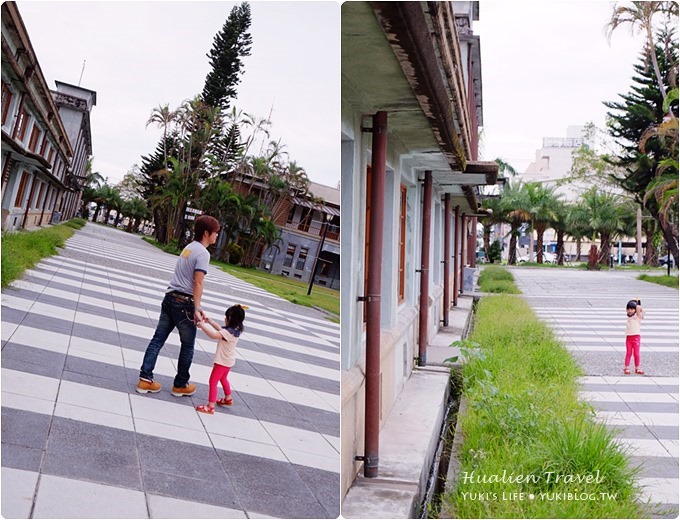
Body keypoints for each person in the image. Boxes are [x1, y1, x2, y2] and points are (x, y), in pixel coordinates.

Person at [136, 215, 220, 396]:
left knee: (157, 339)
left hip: (170, 298)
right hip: (184, 304)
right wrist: (197, 308)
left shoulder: (189, 248)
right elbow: (198, 282)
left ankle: (145, 379)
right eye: (215, 233)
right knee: (188, 345)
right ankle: (180, 384)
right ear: (207, 233)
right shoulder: (203, 253)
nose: (217, 236)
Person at [194, 304, 246, 414]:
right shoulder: (235, 330)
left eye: (226, 317)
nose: (224, 319)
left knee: (213, 381)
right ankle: (228, 399)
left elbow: (214, 335)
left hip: (222, 361)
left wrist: (202, 325)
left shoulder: (228, 332)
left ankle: (210, 406)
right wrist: (210, 321)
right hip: (229, 360)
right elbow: (220, 329)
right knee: (223, 379)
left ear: (230, 319)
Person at [624, 298, 645, 375]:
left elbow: (640, 308)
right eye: (628, 309)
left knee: (636, 353)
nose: (630, 311)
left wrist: (637, 301)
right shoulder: (629, 317)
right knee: (628, 353)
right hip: (629, 338)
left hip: (636, 338)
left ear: (635, 310)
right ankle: (626, 367)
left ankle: (637, 368)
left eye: (632, 309)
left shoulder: (638, 317)